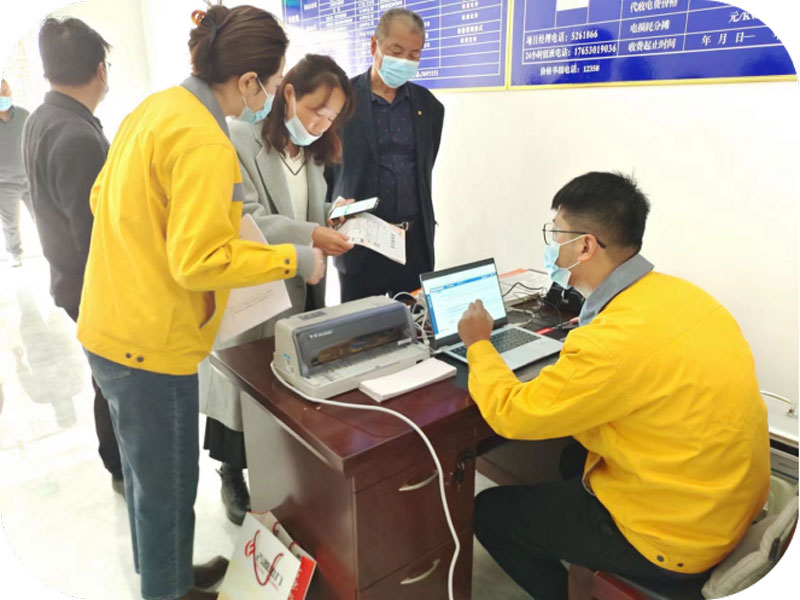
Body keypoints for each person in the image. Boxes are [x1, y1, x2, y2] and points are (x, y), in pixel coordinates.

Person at [76, 6, 325, 600]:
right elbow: (199, 261)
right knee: (168, 490)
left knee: (145, 481)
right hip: (151, 346)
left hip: (107, 326)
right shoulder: (207, 141)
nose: (272, 96)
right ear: (248, 81)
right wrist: (294, 260)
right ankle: (167, 590)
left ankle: (164, 573)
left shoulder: (155, 108)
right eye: (273, 82)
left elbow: (100, 198)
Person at [457, 172, 770, 600]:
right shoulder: (687, 297)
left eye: (555, 233)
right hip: (726, 504)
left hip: (676, 542)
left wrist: (479, 344)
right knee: (572, 457)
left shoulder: (610, 343)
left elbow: (512, 415)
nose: (551, 245)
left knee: (491, 512)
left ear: (585, 246)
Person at [199, 53, 355, 525]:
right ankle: (231, 472)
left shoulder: (311, 152)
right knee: (243, 386)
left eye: (331, 118)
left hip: (301, 285)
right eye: (316, 112)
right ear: (288, 93)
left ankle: (285, 470)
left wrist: (332, 218)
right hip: (255, 289)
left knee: (286, 384)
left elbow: (308, 210)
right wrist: (312, 235)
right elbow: (245, 218)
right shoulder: (239, 140)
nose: (322, 125)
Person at [21, 18, 125, 495]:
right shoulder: (78, 138)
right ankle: (123, 467)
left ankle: (117, 464)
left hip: (67, 278)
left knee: (105, 379)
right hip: (92, 287)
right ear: (100, 70)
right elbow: (96, 241)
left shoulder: (41, 118)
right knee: (116, 383)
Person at [325, 7, 444, 301]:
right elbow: (325, 168)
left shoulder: (429, 107)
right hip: (359, 244)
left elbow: (424, 168)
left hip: (412, 244)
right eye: (396, 51)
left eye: (414, 54)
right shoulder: (342, 99)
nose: (405, 61)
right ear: (374, 45)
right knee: (361, 324)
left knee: (413, 321)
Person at [0, 78, 31, 268]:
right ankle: (14, 253)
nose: (3, 95)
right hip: (4, 184)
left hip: (29, 179)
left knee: (43, 217)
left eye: (5, 90)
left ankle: (53, 249)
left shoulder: (23, 115)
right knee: (10, 223)